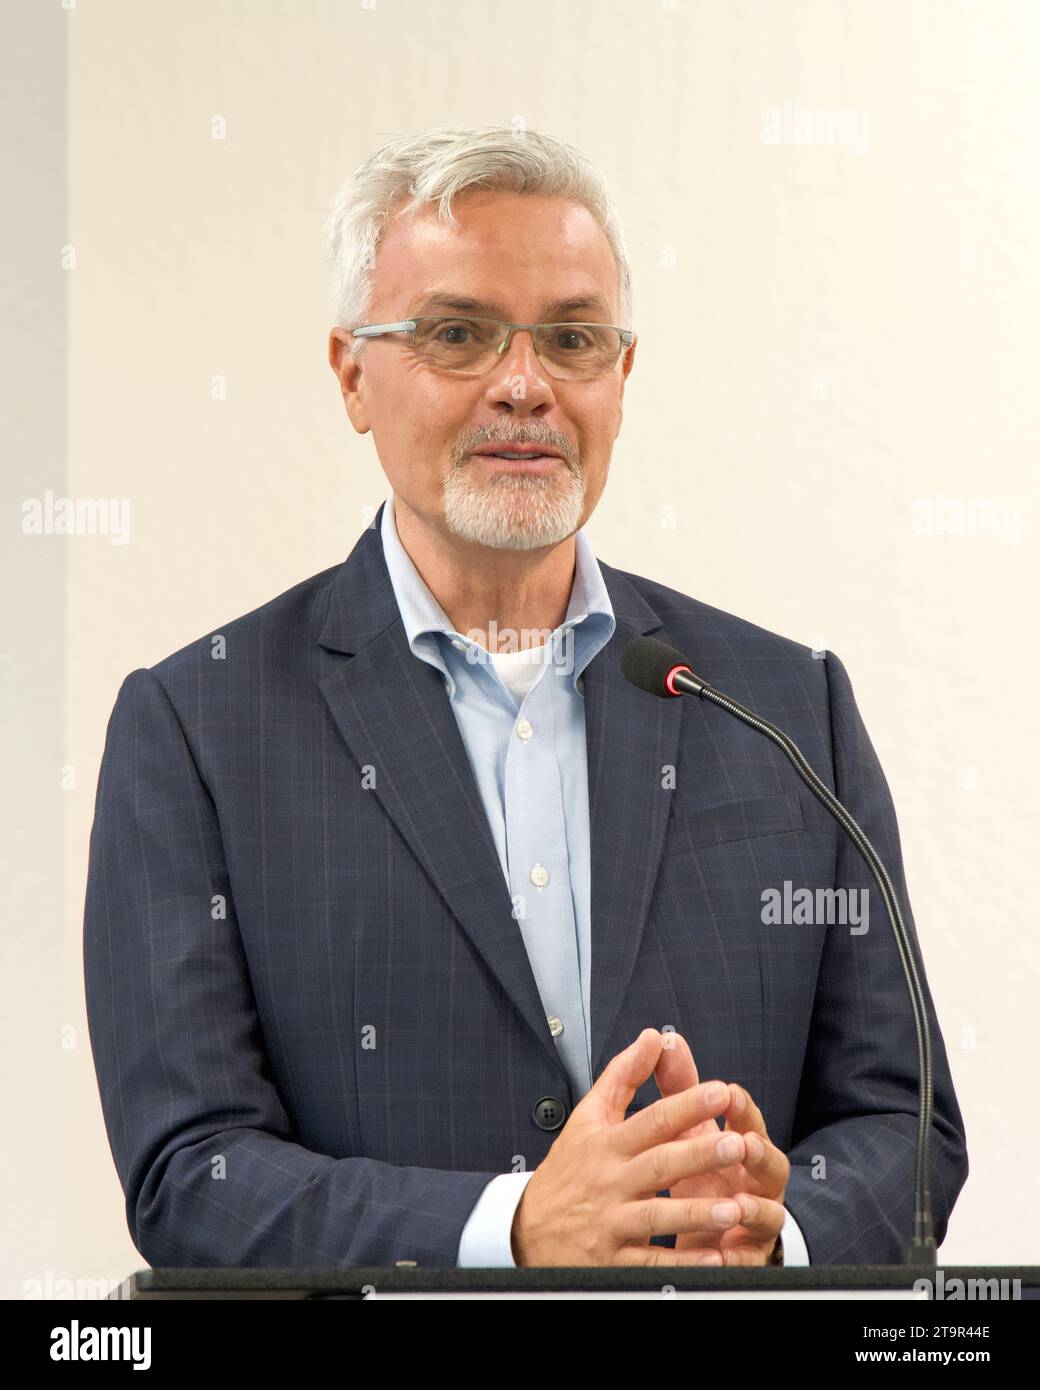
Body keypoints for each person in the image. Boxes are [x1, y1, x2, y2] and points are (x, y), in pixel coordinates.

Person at [83, 125, 968, 1269]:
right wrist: (513, 1228)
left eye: (571, 339)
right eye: (457, 334)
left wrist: (771, 1226)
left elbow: (905, 1121)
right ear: (352, 372)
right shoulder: (196, 727)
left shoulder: (789, 707)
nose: (523, 383)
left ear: (620, 374)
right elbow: (186, 1170)